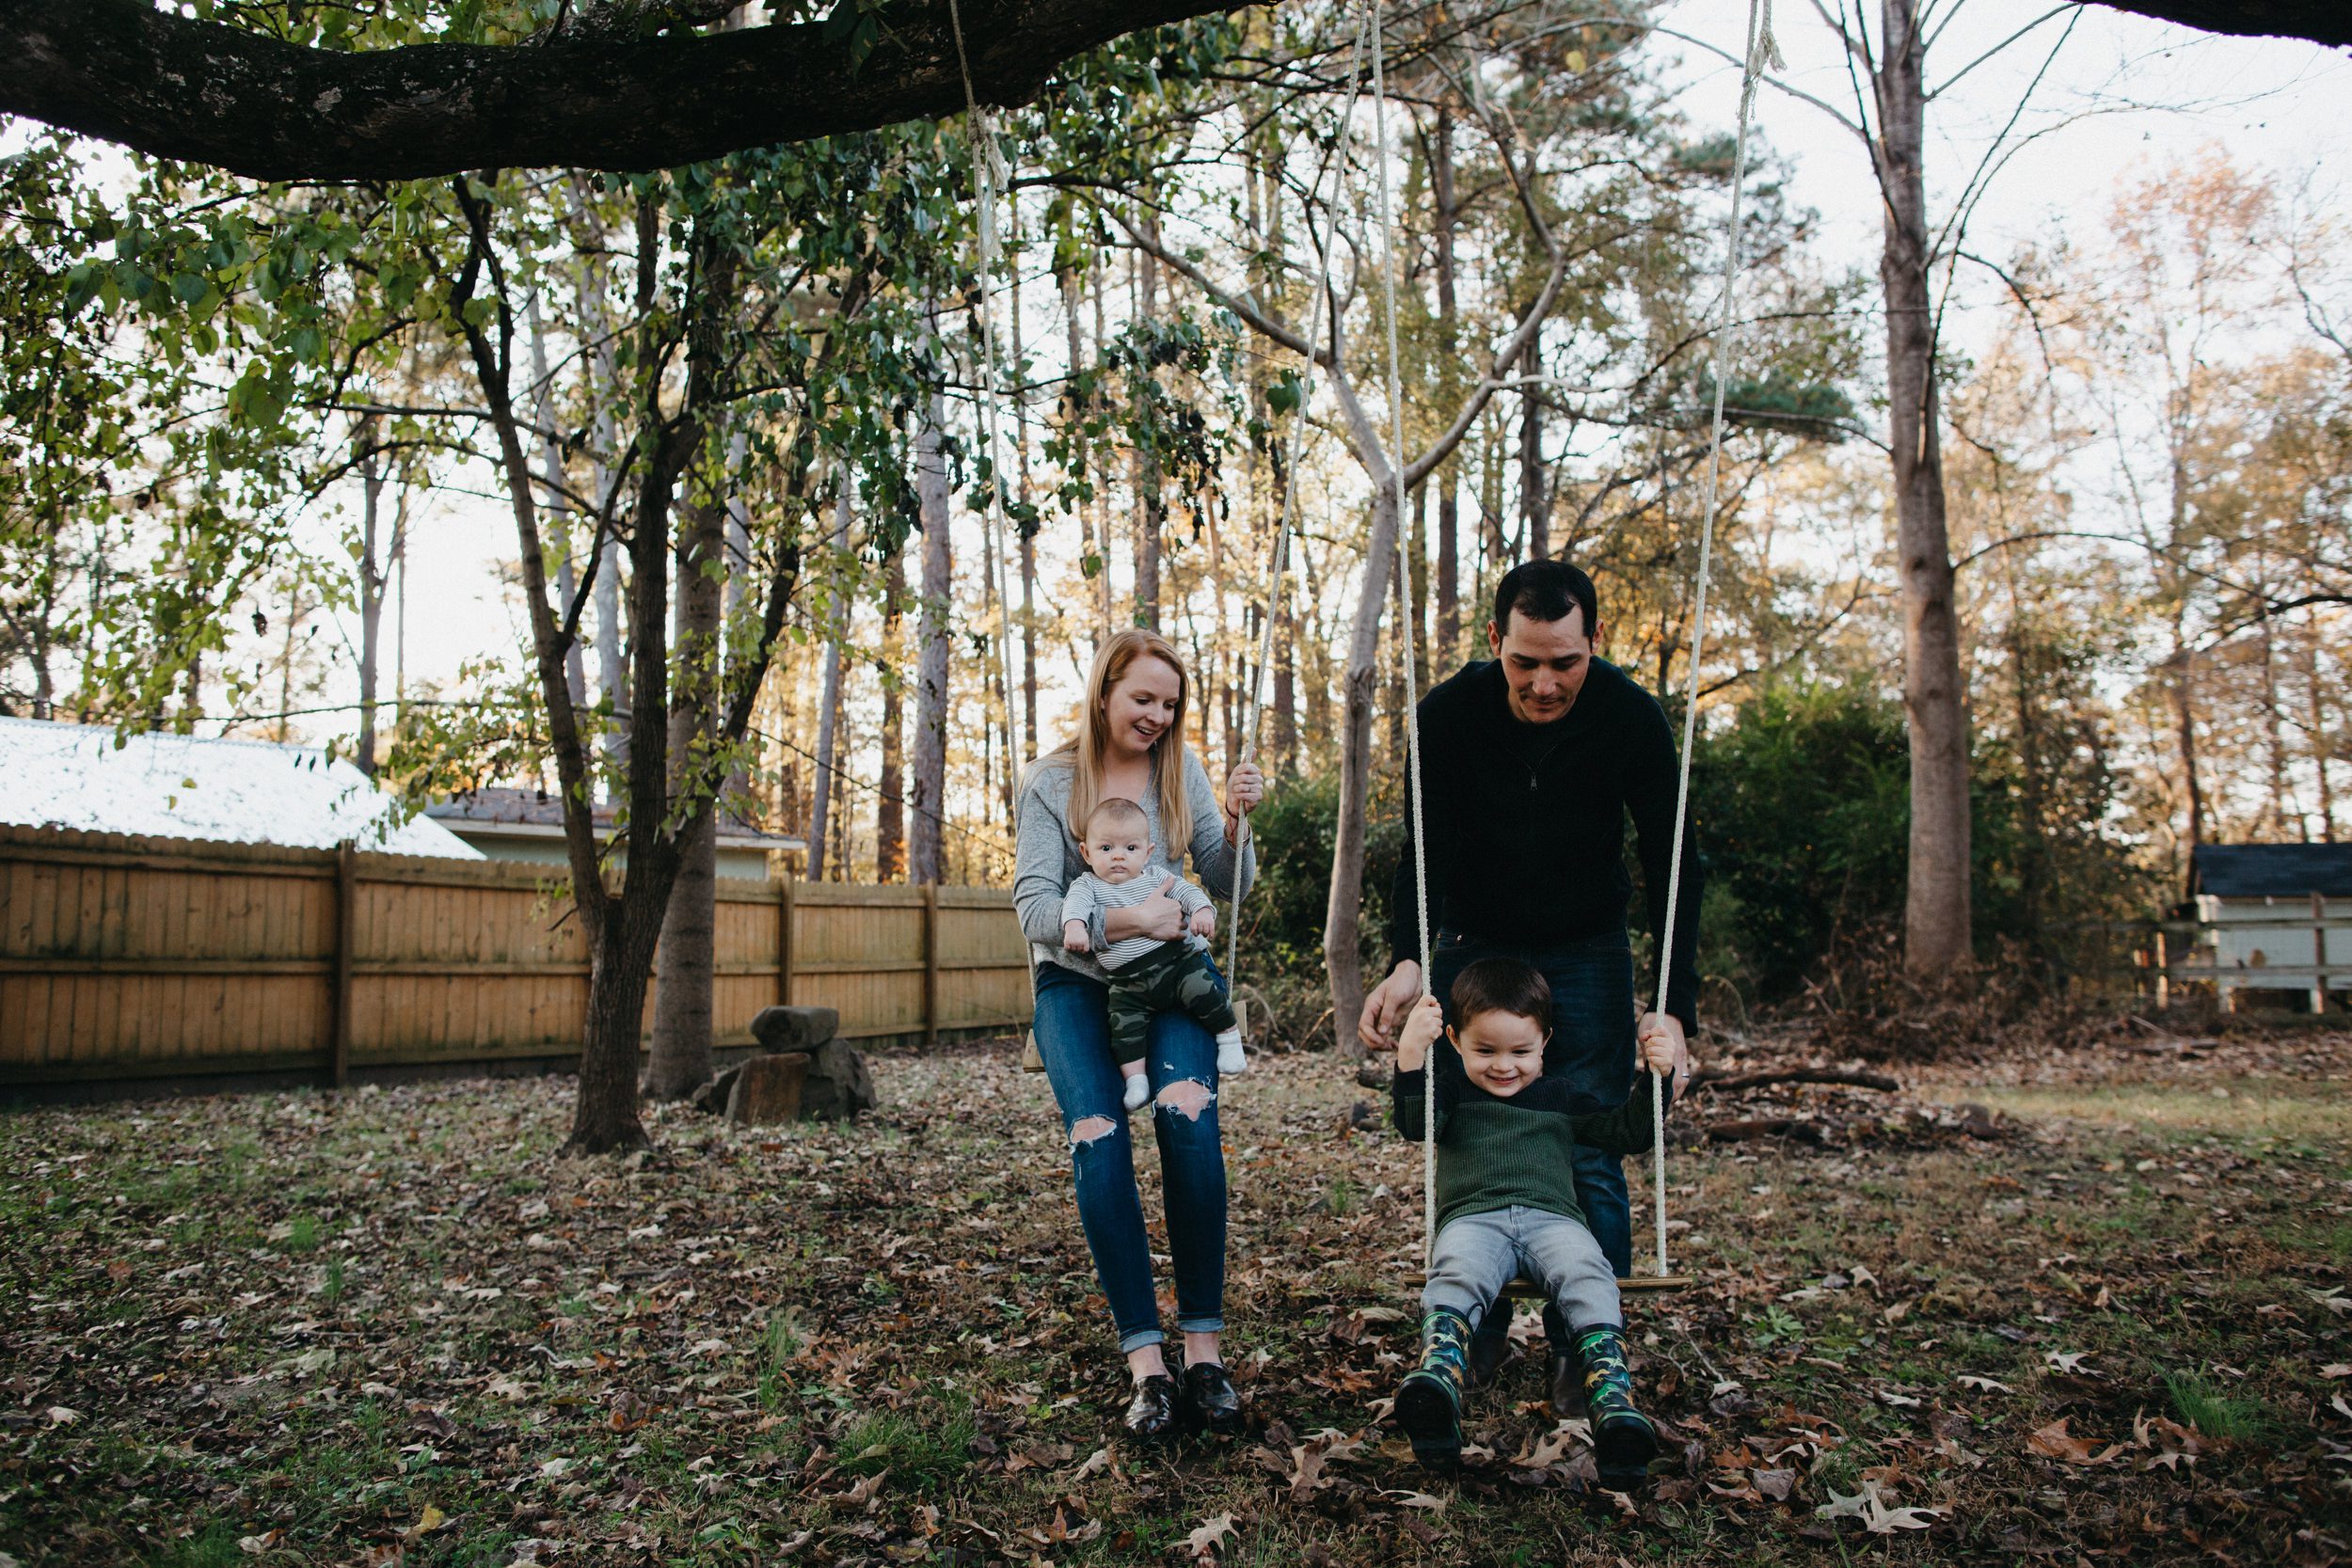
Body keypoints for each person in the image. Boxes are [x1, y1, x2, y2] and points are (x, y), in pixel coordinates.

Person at [1359, 559, 1701, 1410]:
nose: (1545, 683)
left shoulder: (1630, 718)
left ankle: (1584, 1350)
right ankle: (1467, 1337)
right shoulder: (1444, 716)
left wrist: (1675, 1008)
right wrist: (1409, 957)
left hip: (1587, 947)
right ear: (1493, 645)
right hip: (1477, 939)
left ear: (1594, 645)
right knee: (1472, 1124)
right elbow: (1422, 852)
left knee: (1588, 1141)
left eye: (1565, 662)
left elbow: (1675, 868)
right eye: (1524, 662)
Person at [1014, 628, 1263, 1439]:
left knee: (1188, 1123)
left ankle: (1203, 1352)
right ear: (1104, 693)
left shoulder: (1178, 771)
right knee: (1099, 1139)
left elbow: (1228, 883)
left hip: (1170, 981)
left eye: (1169, 702)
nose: (1157, 715)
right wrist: (1127, 915)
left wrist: (1233, 818)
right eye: (1142, 698)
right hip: (1078, 987)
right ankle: (1147, 1366)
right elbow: (1037, 910)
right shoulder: (1050, 782)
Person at [1385, 958, 1682, 1483]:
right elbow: (1416, 1124)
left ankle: (1611, 1399)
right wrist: (1411, 1057)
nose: (1504, 1066)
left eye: (1521, 1051)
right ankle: (1438, 1382)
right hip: (1474, 1220)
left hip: (1553, 1222)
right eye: (1485, 1051)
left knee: (1590, 1270)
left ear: (1545, 1041)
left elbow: (1630, 1133)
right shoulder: (1452, 1094)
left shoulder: (1563, 1098)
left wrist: (1657, 1079)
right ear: (1454, 1040)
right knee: (1455, 1271)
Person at [1058, 796, 1248, 1111]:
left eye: (1130, 849)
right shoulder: (1087, 886)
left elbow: (1187, 891)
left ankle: (1228, 1038)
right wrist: (1075, 927)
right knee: (1123, 1029)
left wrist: (1202, 911)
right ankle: (1136, 1081)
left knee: (1205, 992)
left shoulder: (1156, 877)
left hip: (1175, 964)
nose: (1118, 857)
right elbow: (1073, 908)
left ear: (1147, 853)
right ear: (1086, 853)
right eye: (1106, 849)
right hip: (1126, 983)